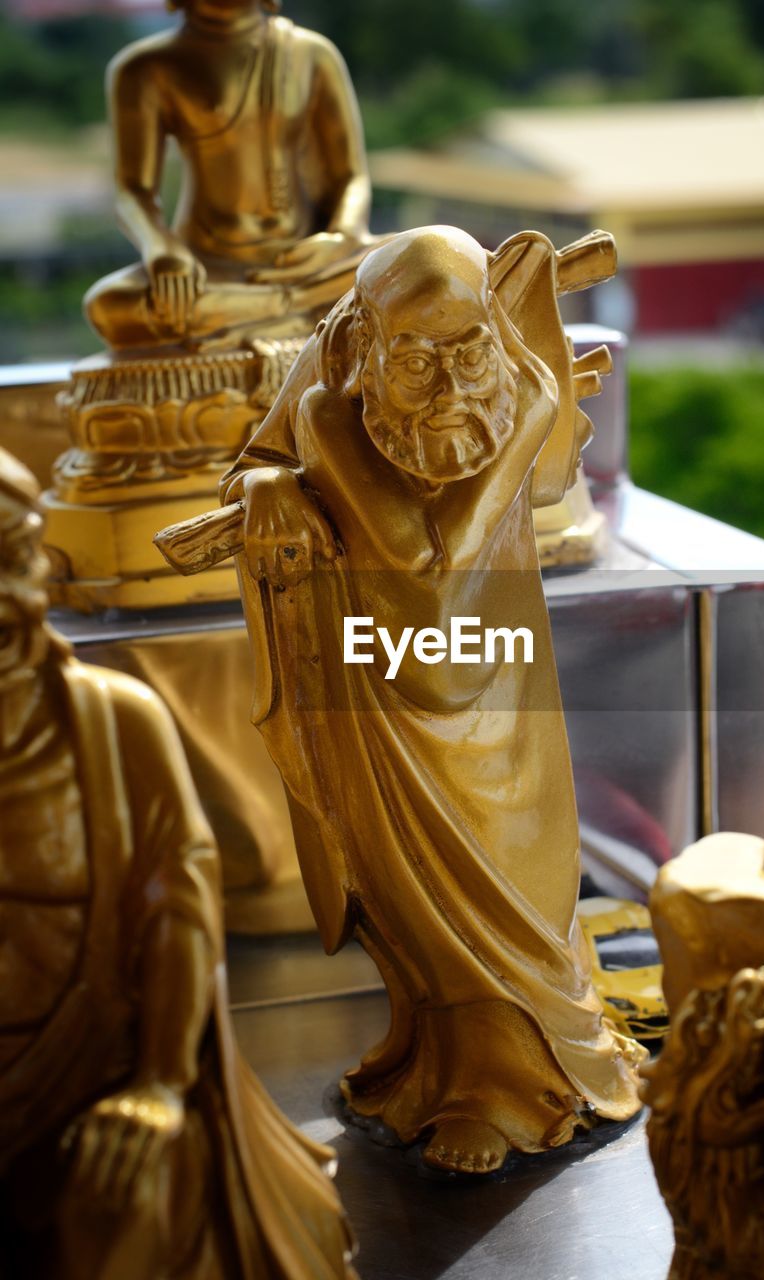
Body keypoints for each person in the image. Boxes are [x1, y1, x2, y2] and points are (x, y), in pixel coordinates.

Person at [221, 226, 644, 1175]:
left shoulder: (502, 383)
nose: (453, 387)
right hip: (386, 690)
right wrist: (267, 489)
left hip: (500, 672)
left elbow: (531, 502)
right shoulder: (335, 410)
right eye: (416, 361)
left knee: (528, 881)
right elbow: (429, 571)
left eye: (471, 351)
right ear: (362, 345)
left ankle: (548, 1073)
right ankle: (464, 1086)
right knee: (421, 905)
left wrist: (529, 408)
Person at [0, 447, 356, 1279]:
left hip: (104, 1070)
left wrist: (159, 1079)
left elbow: (179, 903)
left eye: (13, 562)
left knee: (121, 1205)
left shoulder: (114, 723)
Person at [84, 0, 373, 351]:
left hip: (308, 258)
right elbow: (133, 192)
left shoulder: (311, 53)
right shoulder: (145, 67)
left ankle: (290, 307)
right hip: (209, 266)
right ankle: (305, 309)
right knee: (110, 307)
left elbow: (351, 177)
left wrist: (343, 235)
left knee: (417, 252)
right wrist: (162, 250)